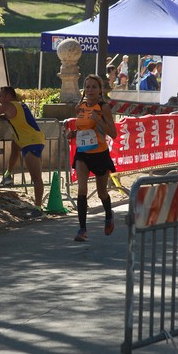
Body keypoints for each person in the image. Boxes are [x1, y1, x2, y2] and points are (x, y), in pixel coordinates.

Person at [67, 74, 117, 242]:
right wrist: (72, 134)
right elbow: (82, 130)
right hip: (83, 153)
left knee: (102, 192)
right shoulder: (80, 107)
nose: (90, 90)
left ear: (100, 90)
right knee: (82, 189)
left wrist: (99, 121)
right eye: (87, 87)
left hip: (100, 154)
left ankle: (109, 216)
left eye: (94, 87)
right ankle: (82, 229)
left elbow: (114, 133)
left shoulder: (104, 107)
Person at [0, 86, 45, 216]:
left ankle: (38, 208)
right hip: (29, 140)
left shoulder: (6, 106)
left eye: (0, 96)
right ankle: (7, 175)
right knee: (14, 146)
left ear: (9, 96)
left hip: (31, 142)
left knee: (36, 177)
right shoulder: (19, 105)